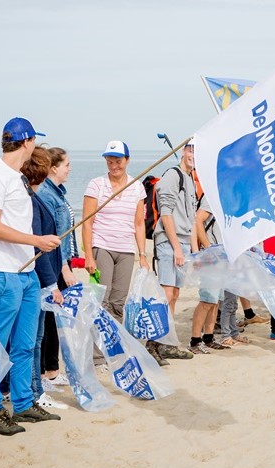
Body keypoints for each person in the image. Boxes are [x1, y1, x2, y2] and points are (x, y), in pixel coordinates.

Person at [0, 117, 61, 436]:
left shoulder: (20, 178)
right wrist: (37, 241)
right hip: (3, 275)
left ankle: (24, 404)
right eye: (34, 142)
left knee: (26, 345)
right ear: (26, 142)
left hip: (27, 275)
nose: (36, 147)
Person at [20, 146, 67, 410]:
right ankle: (34, 392)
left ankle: (35, 390)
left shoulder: (34, 197)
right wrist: (52, 284)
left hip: (42, 276)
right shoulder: (34, 200)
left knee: (35, 339)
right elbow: (39, 248)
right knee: (33, 340)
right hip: (38, 278)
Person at [83, 141, 150, 320]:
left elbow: (139, 224)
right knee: (102, 301)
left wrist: (142, 255)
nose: (114, 166)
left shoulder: (137, 187)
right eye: (110, 161)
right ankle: (98, 348)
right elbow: (87, 223)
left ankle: (115, 345)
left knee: (118, 303)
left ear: (127, 160)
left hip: (126, 250)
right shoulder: (96, 185)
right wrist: (88, 255)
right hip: (102, 246)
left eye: (118, 161)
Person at [152, 141, 198, 361]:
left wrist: (192, 250)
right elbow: (166, 213)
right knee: (166, 293)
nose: (193, 155)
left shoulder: (190, 179)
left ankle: (166, 341)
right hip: (170, 242)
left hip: (183, 242)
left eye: (197, 152)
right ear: (183, 151)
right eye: (191, 150)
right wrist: (177, 247)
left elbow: (191, 219)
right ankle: (155, 342)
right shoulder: (173, 175)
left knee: (175, 294)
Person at [36, 147, 78, 387]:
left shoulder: (59, 192)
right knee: (49, 317)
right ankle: (44, 372)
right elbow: (52, 235)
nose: (69, 169)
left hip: (63, 260)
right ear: (53, 168)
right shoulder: (46, 194)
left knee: (55, 318)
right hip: (54, 263)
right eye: (66, 165)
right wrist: (63, 268)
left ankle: (51, 370)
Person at [187, 188, 229, 354]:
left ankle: (209, 337)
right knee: (207, 300)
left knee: (216, 301)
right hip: (211, 257)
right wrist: (208, 249)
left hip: (222, 257)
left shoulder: (226, 199)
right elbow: (197, 221)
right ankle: (195, 340)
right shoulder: (212, 196)